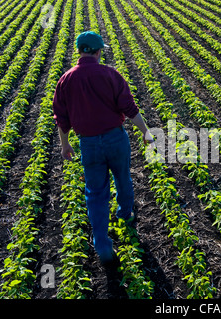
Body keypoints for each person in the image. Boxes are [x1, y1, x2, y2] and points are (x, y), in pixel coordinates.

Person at [52, 31, 154, 266]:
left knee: (96, 193)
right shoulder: (110, 74)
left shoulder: (66, 80)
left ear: (79, 51)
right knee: (122, 176)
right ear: (98, 51)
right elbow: (129, 107)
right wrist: (146, 132)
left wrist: (65, 144)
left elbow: (62, 117)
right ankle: (125, 215)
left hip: (88, 143)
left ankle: (101, 243)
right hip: (115, 138)